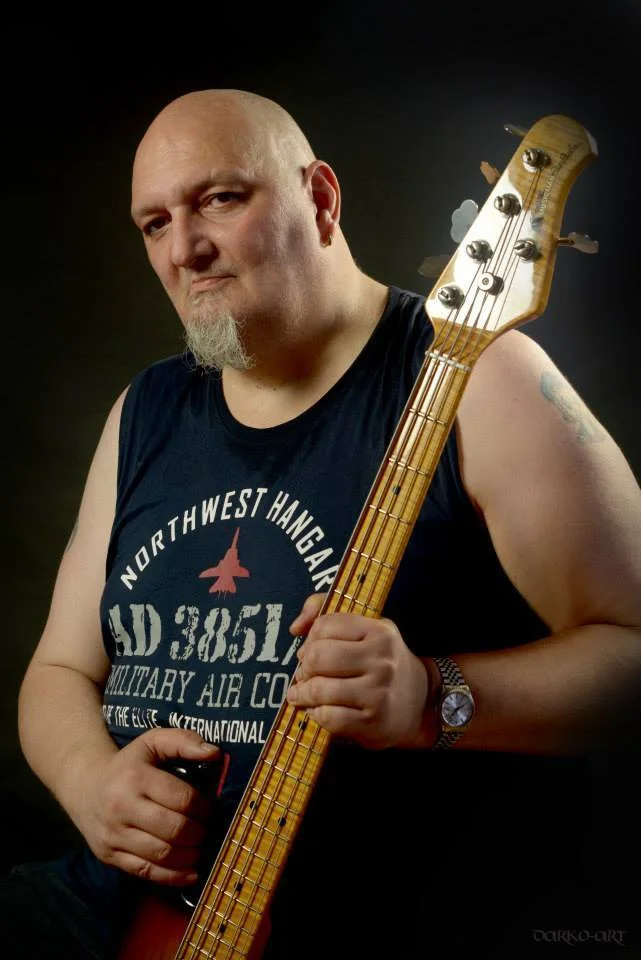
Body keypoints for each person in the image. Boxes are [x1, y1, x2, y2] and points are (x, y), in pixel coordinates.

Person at [3, 88, 641, 959]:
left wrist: (432, 698)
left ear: (321, 198)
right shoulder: (145, 409)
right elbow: (57, 671)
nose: (184, 249)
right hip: (117, 907)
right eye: (154, 224)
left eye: (218, 199)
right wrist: (90, 782)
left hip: (366, 918)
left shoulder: (478, 379)